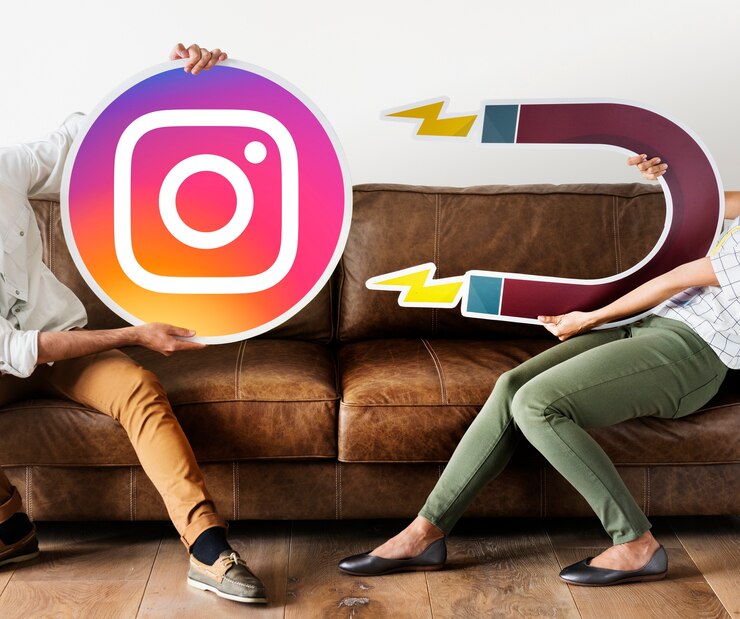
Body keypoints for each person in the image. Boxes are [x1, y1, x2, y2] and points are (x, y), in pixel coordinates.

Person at [339, 154, 739, 586]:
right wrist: (669, 176)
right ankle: (424, 534)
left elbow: (677, 277)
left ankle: (636, 544)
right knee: (512, 385)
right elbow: (711, 206)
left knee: (538, 404)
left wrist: (588, 318)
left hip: (693, 350)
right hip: (646, 324)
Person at [0, 43, 268, 605]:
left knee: (139, 388)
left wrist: (177, 79)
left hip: (64, 342)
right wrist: (134, 333)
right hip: (17, 352)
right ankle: (8, 528)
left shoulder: (5, 166)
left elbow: (85, 136)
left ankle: (208, 547)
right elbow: (17, 349)